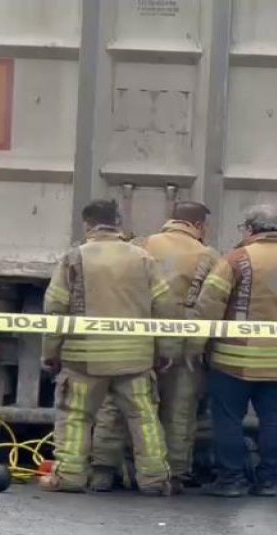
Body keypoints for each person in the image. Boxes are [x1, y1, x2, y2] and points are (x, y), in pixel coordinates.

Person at [41, 199, 178, 496]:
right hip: (135, 360)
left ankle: (71, 477)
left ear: (87, 225)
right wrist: (165, 350)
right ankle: (154, 480)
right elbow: (165, 305)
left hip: (83, 361)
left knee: (76, 418)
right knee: (144, 420)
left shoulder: (73, 259)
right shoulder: (142, 258)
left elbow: (55, 309)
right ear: (118, 222)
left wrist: (50, 353)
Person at [88, 201, 221, 493]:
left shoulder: (141, 245)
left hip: (137, 338)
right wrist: (197, 348)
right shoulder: (208, 255)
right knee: (179, 410)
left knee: (119, 406)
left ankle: (104, 470)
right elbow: (210, 305)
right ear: (199, 226)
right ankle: (173, 473)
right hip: (184, 342)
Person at [190, 204, 277, 498]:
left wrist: (196, 349)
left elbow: (208, 307)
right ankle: (268, 481)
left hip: (232, 362)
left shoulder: (235, 260)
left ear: (249, 229)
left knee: (228, 421)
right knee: (274, 422)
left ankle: (231, 479)